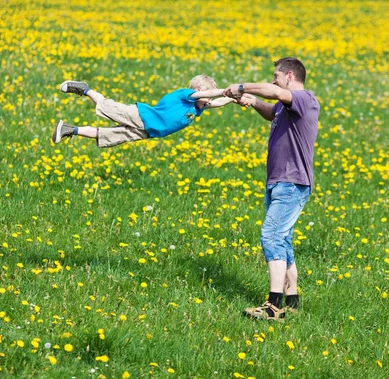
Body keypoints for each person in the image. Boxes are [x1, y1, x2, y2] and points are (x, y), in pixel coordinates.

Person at [224, 57, 320, 320]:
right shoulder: (286, 105)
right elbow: (272, 111)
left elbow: (276, 92)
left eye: (276, 75)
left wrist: (242, 87)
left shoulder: (305, 99)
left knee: (272, 235)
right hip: (280, 180)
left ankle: (273, 306)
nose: (273, 80)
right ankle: (292, 300)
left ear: (289, 76)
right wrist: (253, 102)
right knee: (283, 239)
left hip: (292, 182)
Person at [52, 75, 235, 147]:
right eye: (207, 95)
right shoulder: (186, 95)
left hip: (147, 131)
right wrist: (224, 90)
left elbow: (217, 102)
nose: (209, 99)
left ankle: (70, 129)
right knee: (108, 106)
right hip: (141, 116)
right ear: (197, 91)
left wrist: (234, 98)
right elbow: (210, 94)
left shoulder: (198, 108)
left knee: (108, 136)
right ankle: (85, 89)